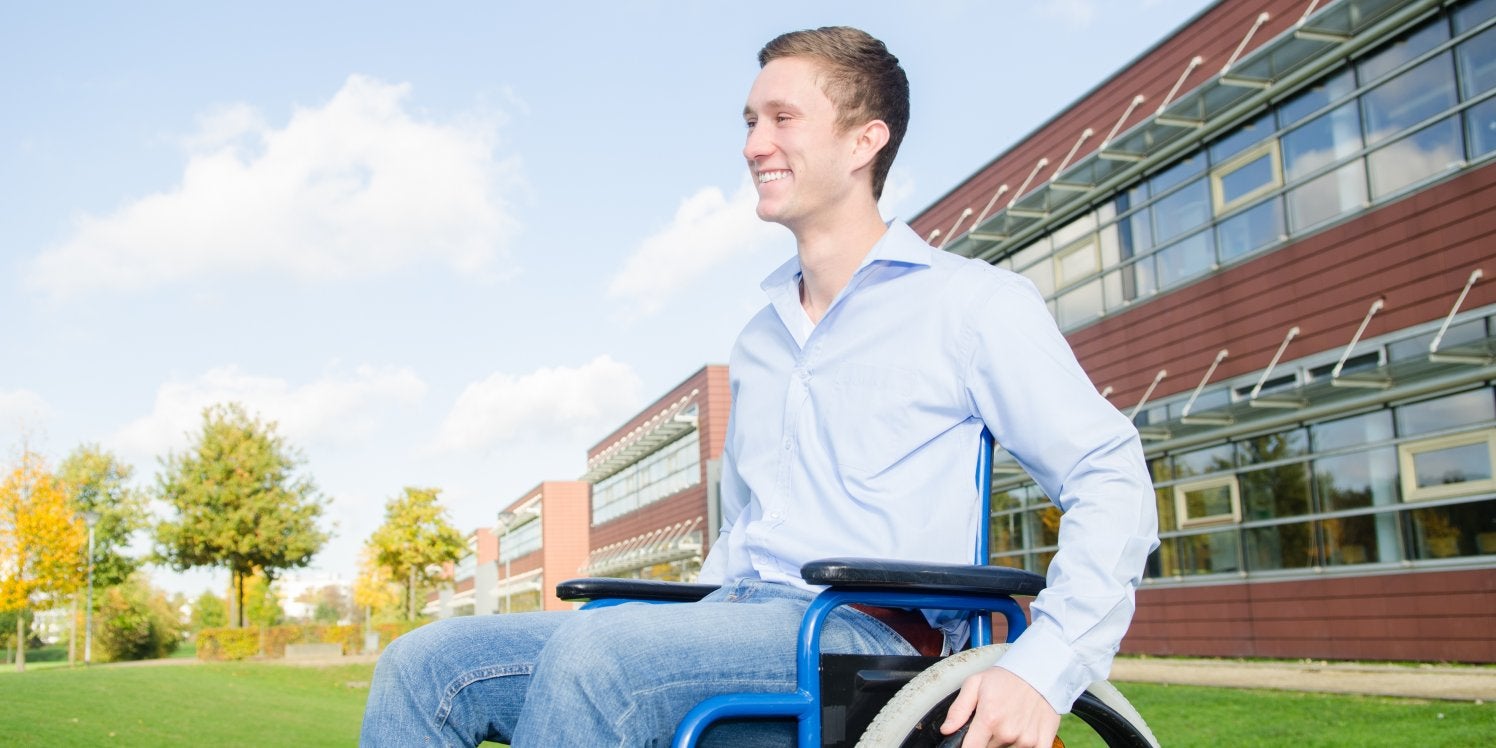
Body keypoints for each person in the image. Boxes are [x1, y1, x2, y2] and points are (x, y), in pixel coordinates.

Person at [361, 26, 1156, 748]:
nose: (752, 144)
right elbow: (745, 530)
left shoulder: (969, 305)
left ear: (863, 142)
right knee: (424, 663)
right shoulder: (761, 340)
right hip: (736, 617)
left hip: (862, 633)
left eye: (782, 119)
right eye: (749, 120)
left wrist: (1044, 663)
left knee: (600, 654)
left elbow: (1110, 476)